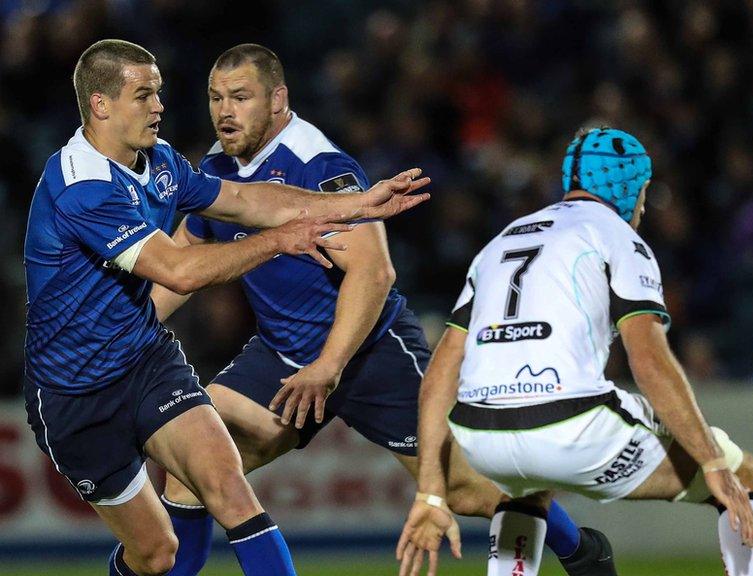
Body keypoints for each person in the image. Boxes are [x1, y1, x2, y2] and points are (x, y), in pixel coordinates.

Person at [149, 44, 613, 576]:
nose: (225, 111)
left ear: (277, 99)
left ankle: (582, 551)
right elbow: (187, 257)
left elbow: (373, 272)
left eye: (240, 97)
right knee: (191, 462)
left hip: (371, 351)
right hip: (283, 356)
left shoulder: (318, 165)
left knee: (464, 490)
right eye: (215, 98)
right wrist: (125, 334)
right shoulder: (216, 167)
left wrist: (329, 366)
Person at [23, 39, 428, 576]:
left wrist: (354, 203)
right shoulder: (83, 187)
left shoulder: (160, 159)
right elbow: (180, 270)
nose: (159, 106)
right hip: (75, 392)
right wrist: (279, 240)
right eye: (143, 95)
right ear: (101, 105)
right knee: (155, 553)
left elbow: (245, 200)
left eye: (159, 93)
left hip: (147, 363)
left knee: (229, 488)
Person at [397, 128, 753, 576]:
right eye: (643, 193)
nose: (642, 205)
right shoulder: (617, 236)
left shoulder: (501, 242)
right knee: (745, 473)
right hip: (572, 428)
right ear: (631, 188)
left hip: (482, 437)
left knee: (526, 491)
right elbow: (650, 361)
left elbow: (440, 375)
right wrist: (712, 461)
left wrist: (429, 491)